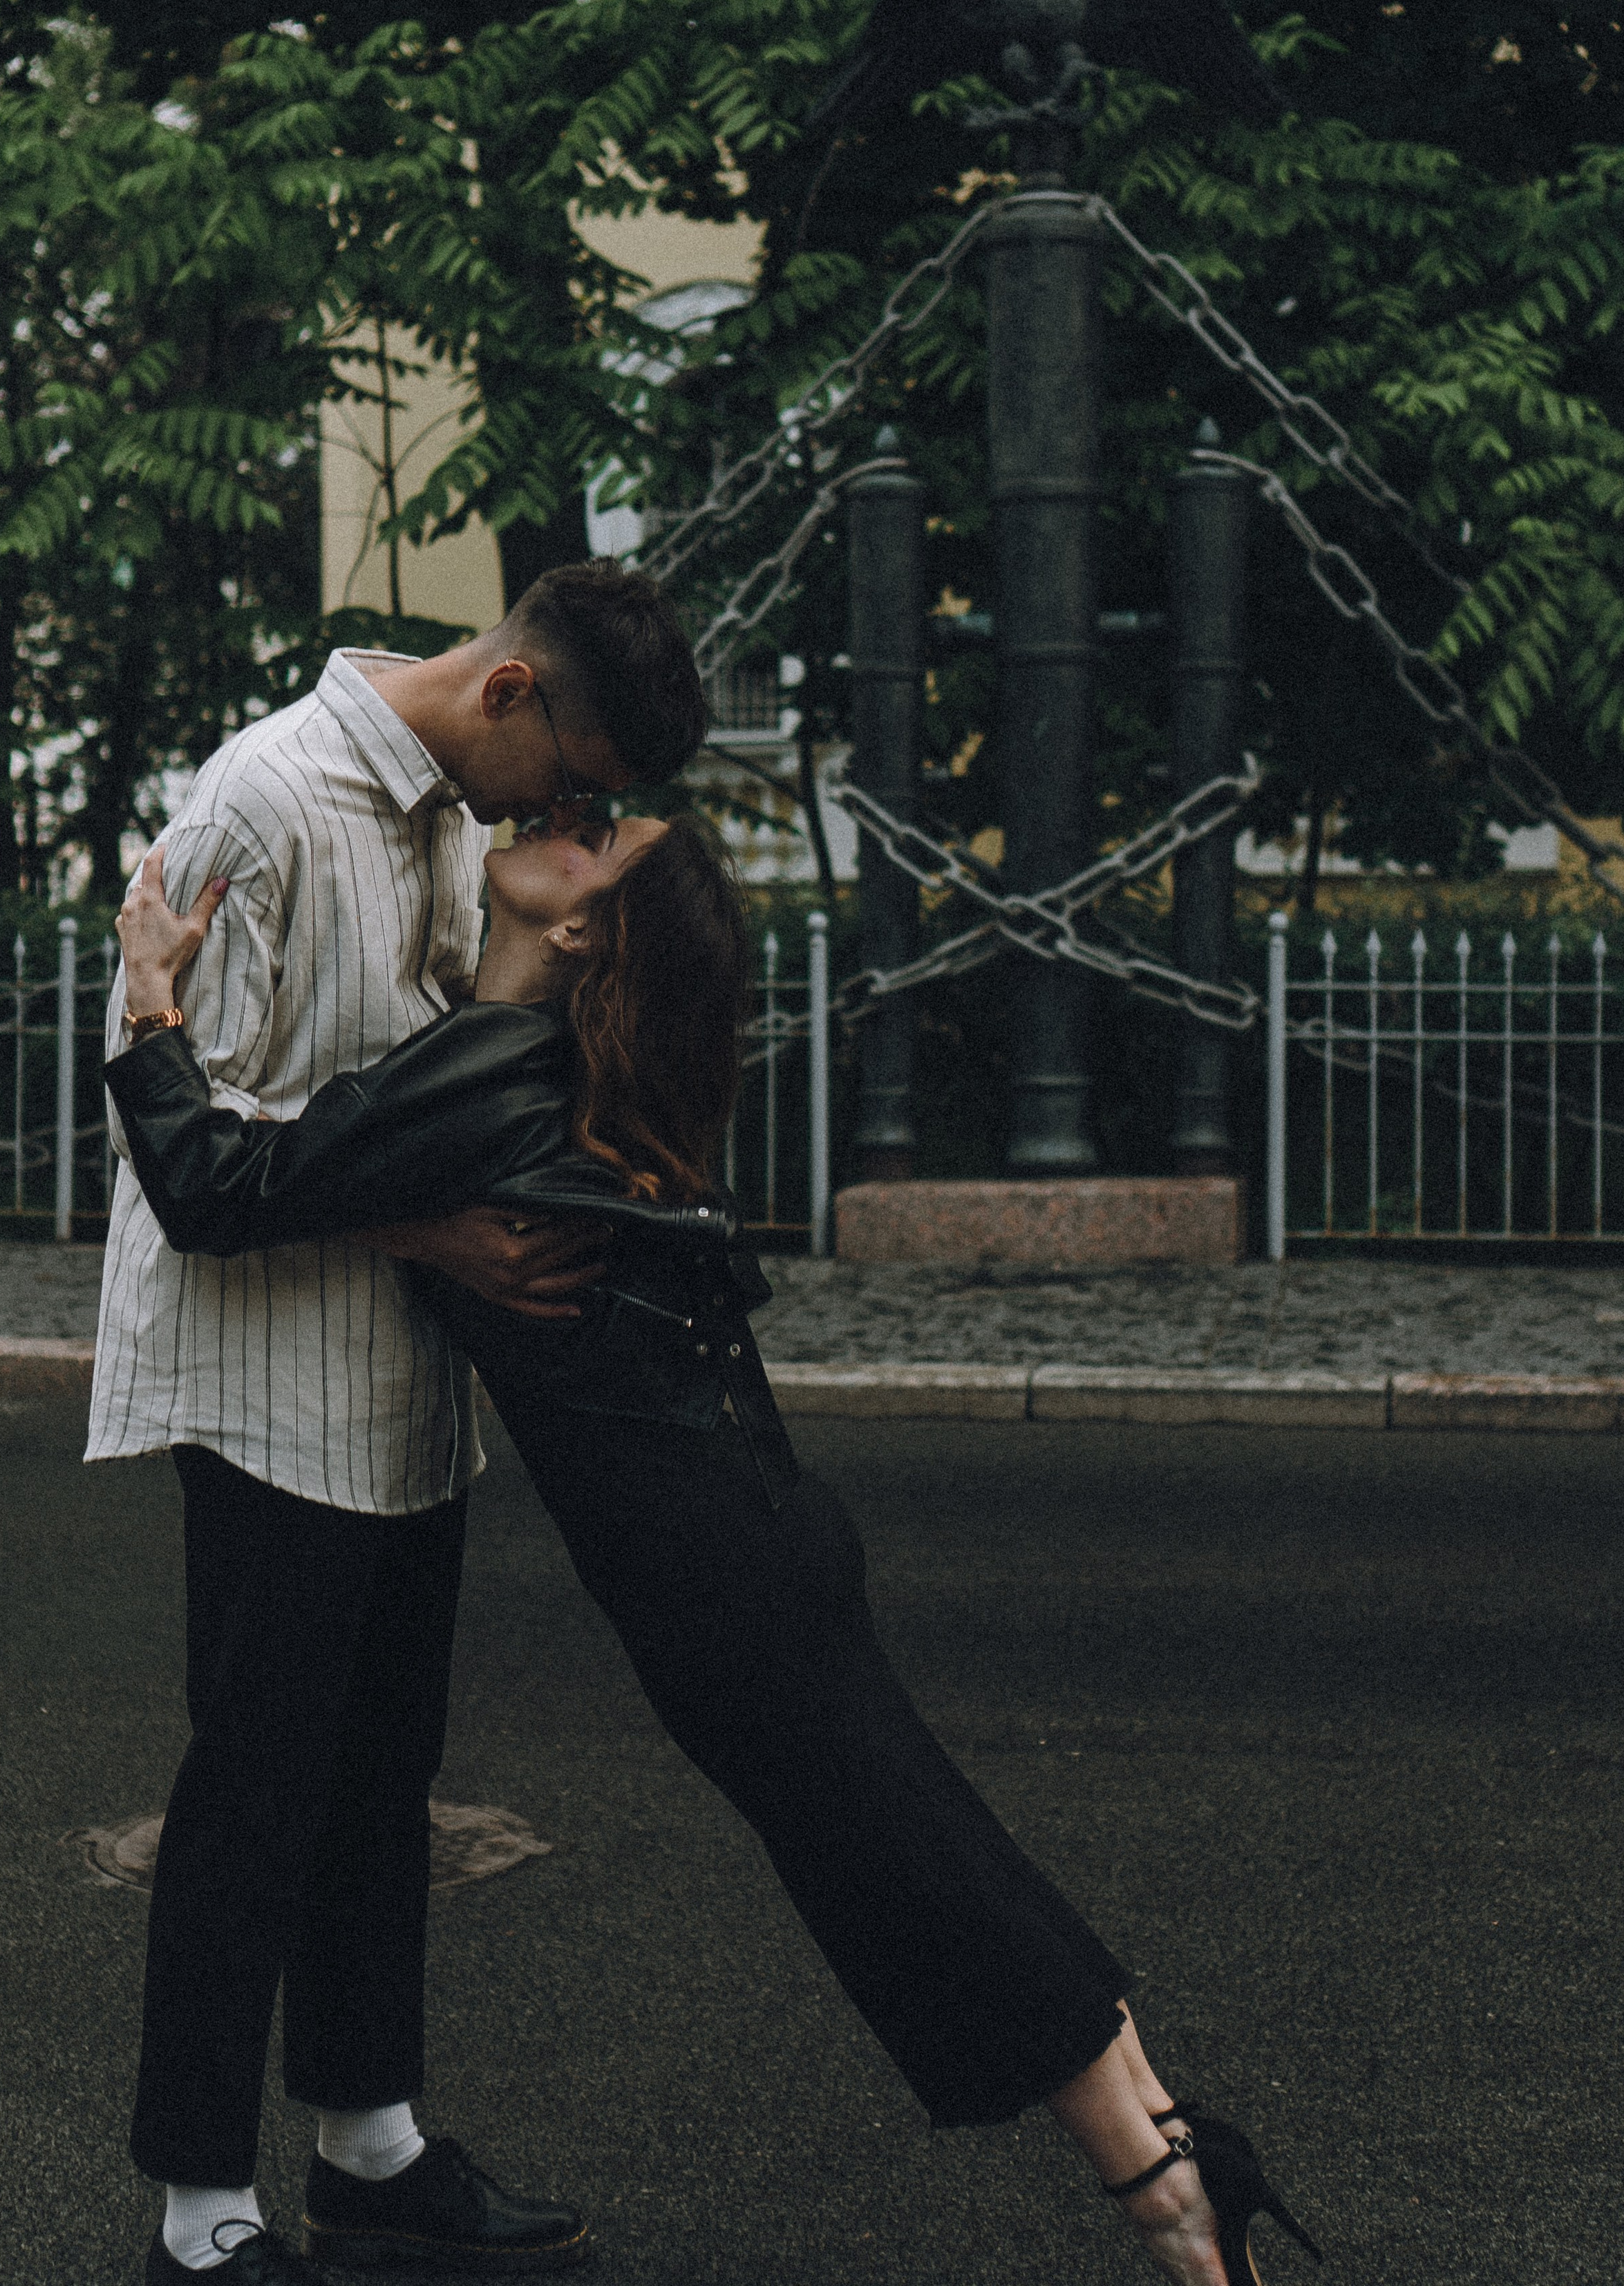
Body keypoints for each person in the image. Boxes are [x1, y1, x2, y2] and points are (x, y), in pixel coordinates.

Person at [105, 806, 1322, 2286]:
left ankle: (1165, 2190)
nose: (566, 823)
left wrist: (154, 996)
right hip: (757, 1532)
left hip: (709, 1577)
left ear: (580, 932)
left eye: (596, 841)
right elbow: (373, 1193)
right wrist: (424, 1236)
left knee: (908, 1879)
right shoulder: (542, 1070)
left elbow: (215, 1188)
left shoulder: (490, 1065)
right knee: (925, 1848)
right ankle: (1177, 2153)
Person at [86, 561, 709, 2285]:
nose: (575, 815)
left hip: (403, 1377)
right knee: (257, 1785)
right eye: (579, 779)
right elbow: (189, 1142)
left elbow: (423, 1090)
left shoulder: (451, 815)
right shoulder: (268, 795)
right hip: (266, 1369)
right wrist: (434, 1227)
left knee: (383, 1781)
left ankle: (371, 2144)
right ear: (511, 695)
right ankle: (199, 2214)